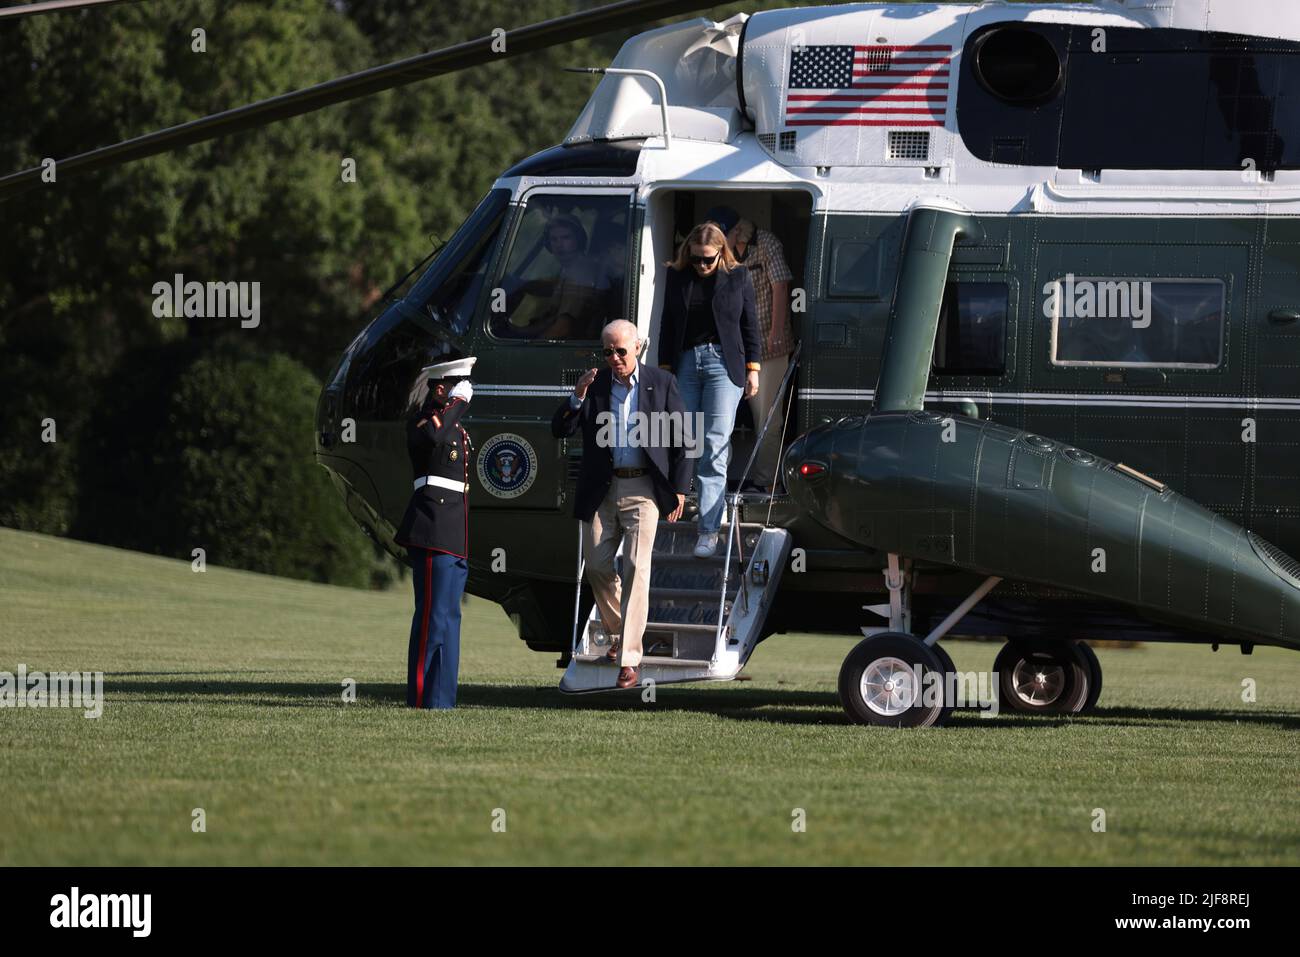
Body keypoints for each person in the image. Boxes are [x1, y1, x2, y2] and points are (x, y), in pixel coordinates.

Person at [552, 319, 692, 689]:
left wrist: (680, 489)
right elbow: (560, 429)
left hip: (644, 488)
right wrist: (577, 396)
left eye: (620, 350)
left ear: (638, 347)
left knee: (635, 567)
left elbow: (684, 438)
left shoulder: (662, 383)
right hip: (601, 490)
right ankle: (619, 634)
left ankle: (629, 659)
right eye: (607, 351)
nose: (614, 357)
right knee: (597, 565)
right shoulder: (594, 385)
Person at [657, 220, 761, 558]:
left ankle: (708, 528)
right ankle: (708, 504)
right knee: (688, 440)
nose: (702, 265)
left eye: (709, 259)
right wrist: (664, 371)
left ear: (721, 254)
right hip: (686, 362)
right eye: (697, 258)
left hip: (723, 364)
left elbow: (750, 324)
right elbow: (667, 325)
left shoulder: (738, 277)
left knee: (714, 442)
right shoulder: (677, 275)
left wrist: (753, 369)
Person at [394, 356, 475, 709]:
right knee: (432, 617)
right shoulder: (424, 422)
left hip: (454, 532)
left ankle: (442, 700)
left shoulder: (454, 427)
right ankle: (419, 696)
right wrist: (458, 403)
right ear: (441, 387)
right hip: (431, 528)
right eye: (457, 384)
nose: (463, 390)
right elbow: (435, 436)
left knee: (450, 618)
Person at [713, 207, 795, 493]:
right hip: (735, 348)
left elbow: (782, 286)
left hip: (769, 349)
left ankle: (767, 483)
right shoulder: (719, 255)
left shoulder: (767, 243)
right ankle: (715, 483)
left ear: (738, 232)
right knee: (721, 417)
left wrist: (774, 334)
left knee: (768, 418)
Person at [504, 214, 611, 340]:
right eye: (554, 239)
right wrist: (519, 331)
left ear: (579, 240)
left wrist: (530, 347)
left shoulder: (580, 272)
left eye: (566, 238)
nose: (559, 245)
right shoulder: (569, 269)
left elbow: (562, 328)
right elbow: (552, 318)